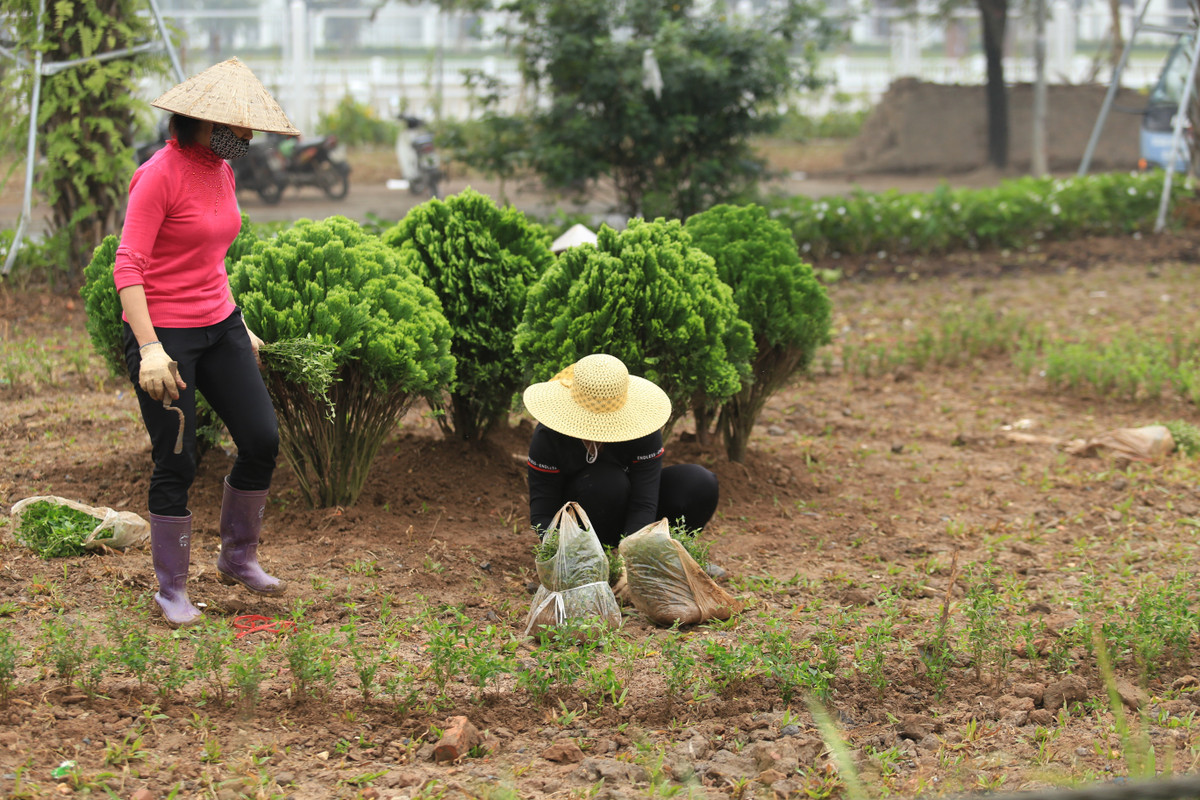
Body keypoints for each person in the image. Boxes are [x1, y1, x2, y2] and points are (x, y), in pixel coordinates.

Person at [114, 58, 301, 627]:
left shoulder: (221, 167)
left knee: (262, 439)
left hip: (219, 323)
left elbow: (211, 255)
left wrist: (237, 322)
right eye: (238, 127)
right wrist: (149, 348)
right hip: (165, 336)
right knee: (178, 456)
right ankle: (171, 589)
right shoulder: (159, 175)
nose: (246, 137)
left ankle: (237, 557)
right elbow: (128, 268)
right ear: (198, 119)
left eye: (249, 129)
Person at [522, 353, 720, 549]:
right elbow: (543, 511)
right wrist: (563, 557)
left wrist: (631, 557)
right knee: (606, 481)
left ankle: (664, 556)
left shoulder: (643, 427)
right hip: (578, 524)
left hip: (632, 514)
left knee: (699, 482)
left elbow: (644, 502)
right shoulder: (549, 436)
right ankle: (596, 554)